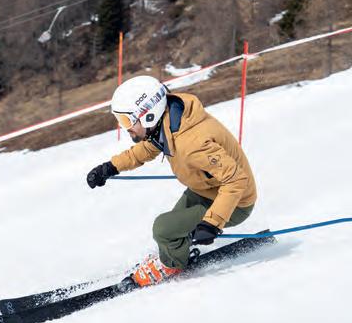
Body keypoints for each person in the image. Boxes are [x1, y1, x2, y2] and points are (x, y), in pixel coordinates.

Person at [86, 75, 257, 287]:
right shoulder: (169, 123)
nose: (126, 128)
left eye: (127, 121)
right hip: (205, 190)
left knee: (163, 229)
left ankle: (172, 264)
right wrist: (111, 167)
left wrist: (212, 223)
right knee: (172, 230)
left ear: (149, 115)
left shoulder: (192, 143)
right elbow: (148, 148)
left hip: (235, 203)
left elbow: (236, 180)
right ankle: (173, 251)